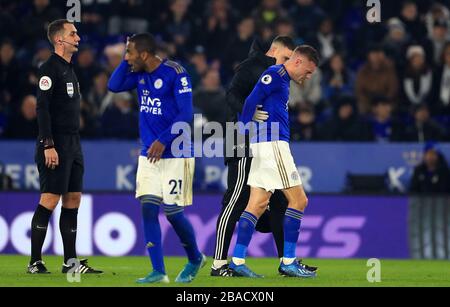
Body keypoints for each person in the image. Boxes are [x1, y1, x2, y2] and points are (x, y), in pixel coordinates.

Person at [212, 36, 317, 277]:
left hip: (260, 145)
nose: (307, 77)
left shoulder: (280, 77)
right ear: (295, 60)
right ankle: (287, 261)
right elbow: (243, 99)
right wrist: (244, 128)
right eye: (308, 71)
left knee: (258, 204)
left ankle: (238, 260)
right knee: (298, 201)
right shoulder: (272, 73)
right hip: (269, 144)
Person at [108, 33, 205, 284]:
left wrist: (163, 140)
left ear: (144, 54)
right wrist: (124, 58)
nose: (126, 58)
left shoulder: (176, 72)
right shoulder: (138, 73)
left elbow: (185, 114)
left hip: (176, 153)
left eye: (129, 53)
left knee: (173, 212)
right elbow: (114, 85)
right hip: (148, 154)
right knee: (148, 208)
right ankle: (158, 271)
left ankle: (195, 258)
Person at [28, 19, 102, 274]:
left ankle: (70, 263)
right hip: (55, 143)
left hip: (73, 142)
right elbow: (42, 108)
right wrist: (48, 144)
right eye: (73, 33)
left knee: (73, 199)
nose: (78, 37)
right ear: (60, 39)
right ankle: (35, 261)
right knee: (49, 199)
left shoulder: (70, 69)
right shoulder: (48, 69)